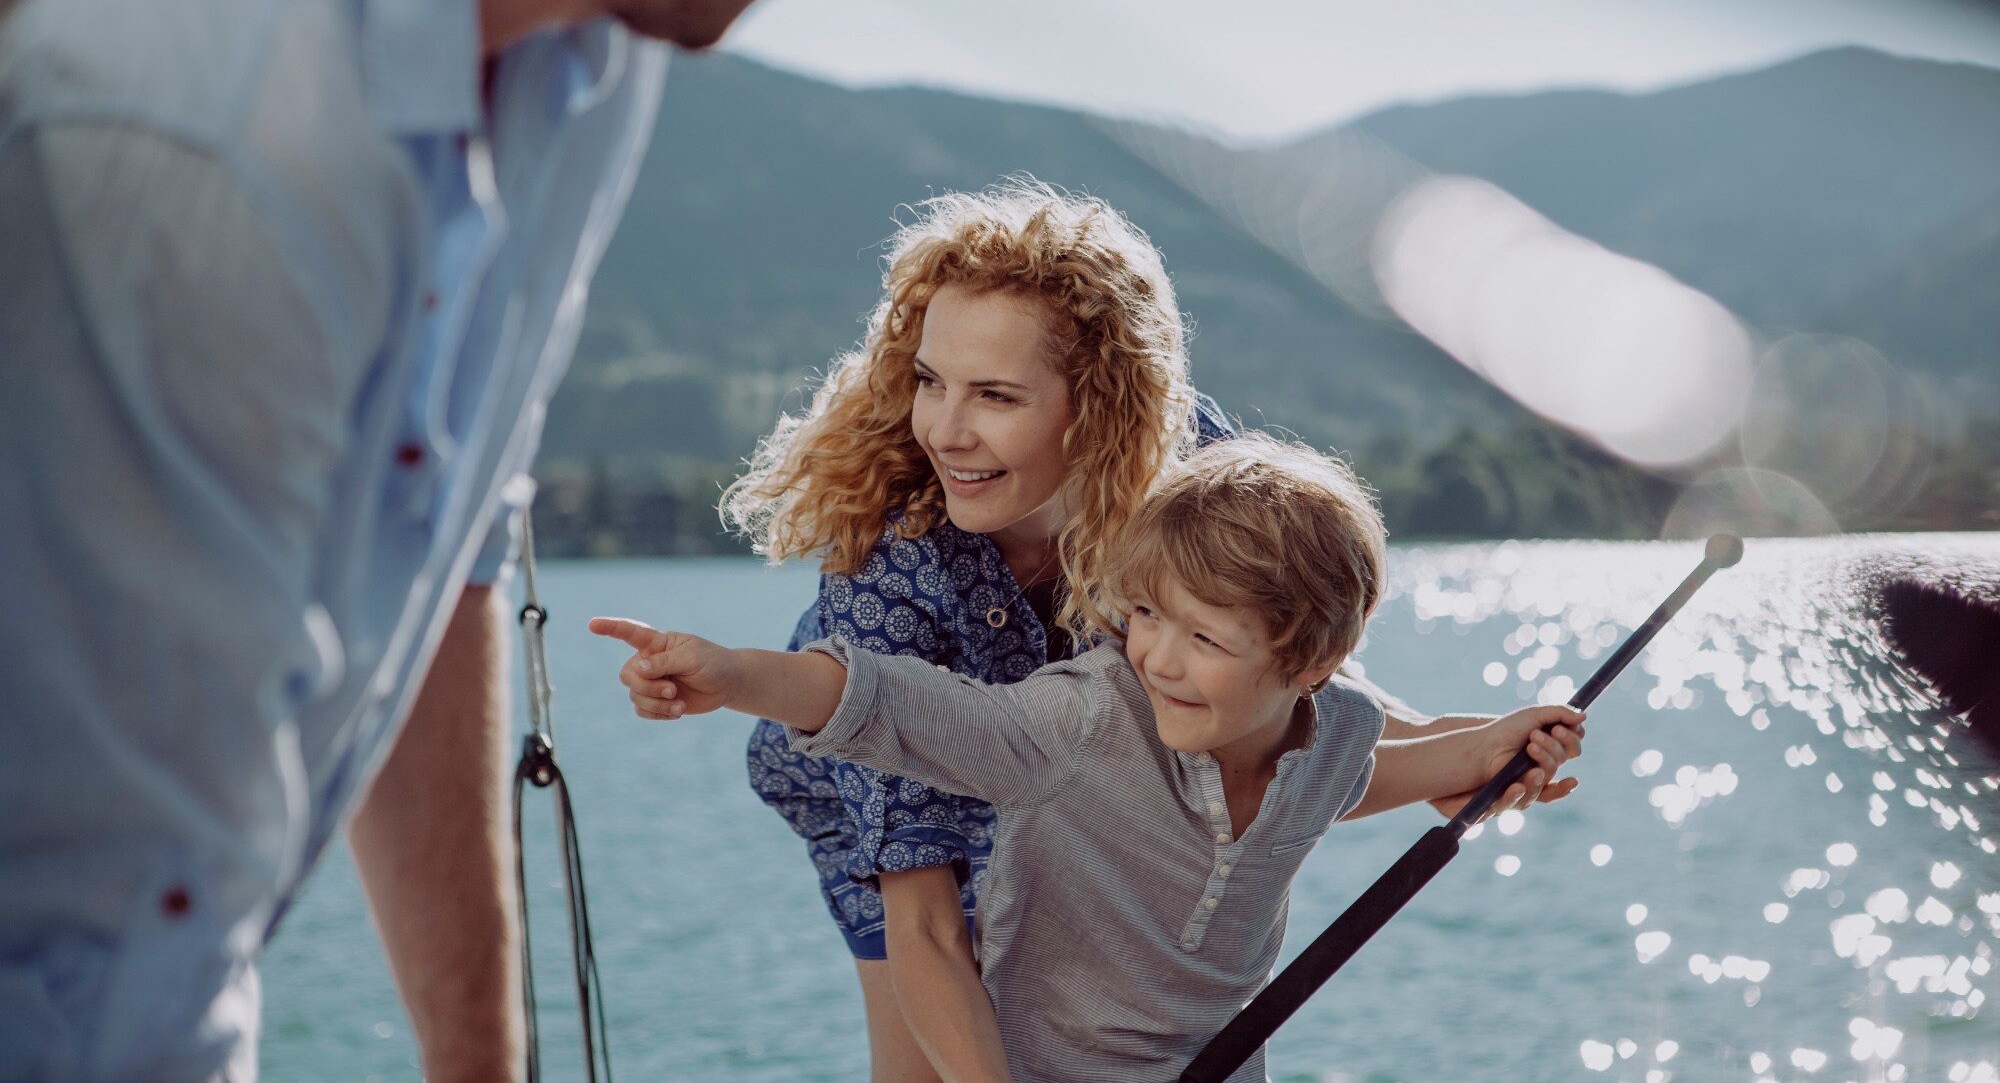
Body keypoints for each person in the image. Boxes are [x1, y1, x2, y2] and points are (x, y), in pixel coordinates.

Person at [0, 0, 1020, 1077]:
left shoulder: (589, 42)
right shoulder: (197, 125)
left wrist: (480, 1062)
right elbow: (92, 939)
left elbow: (433, 538)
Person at [701, 182, 1578, 1081]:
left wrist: (1450, 747)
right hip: (883, 772)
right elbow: (922, 917)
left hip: (1079, 763)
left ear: (1104, 403)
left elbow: (1277, 657)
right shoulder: (889, 571)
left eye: (997, 395)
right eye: (930, 381)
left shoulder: (1187, 462)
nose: (947, 431)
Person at [595, 433, 1588, 1081]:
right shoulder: (1076, 722)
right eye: (1145, 613)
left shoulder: (1329, 737)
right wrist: (733, 673)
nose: (1155, 652)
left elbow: (1382, 771)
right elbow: (897, 704)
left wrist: (1496, 751)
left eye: (1204, 639)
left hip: (1220, 1063)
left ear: (1311, 664)